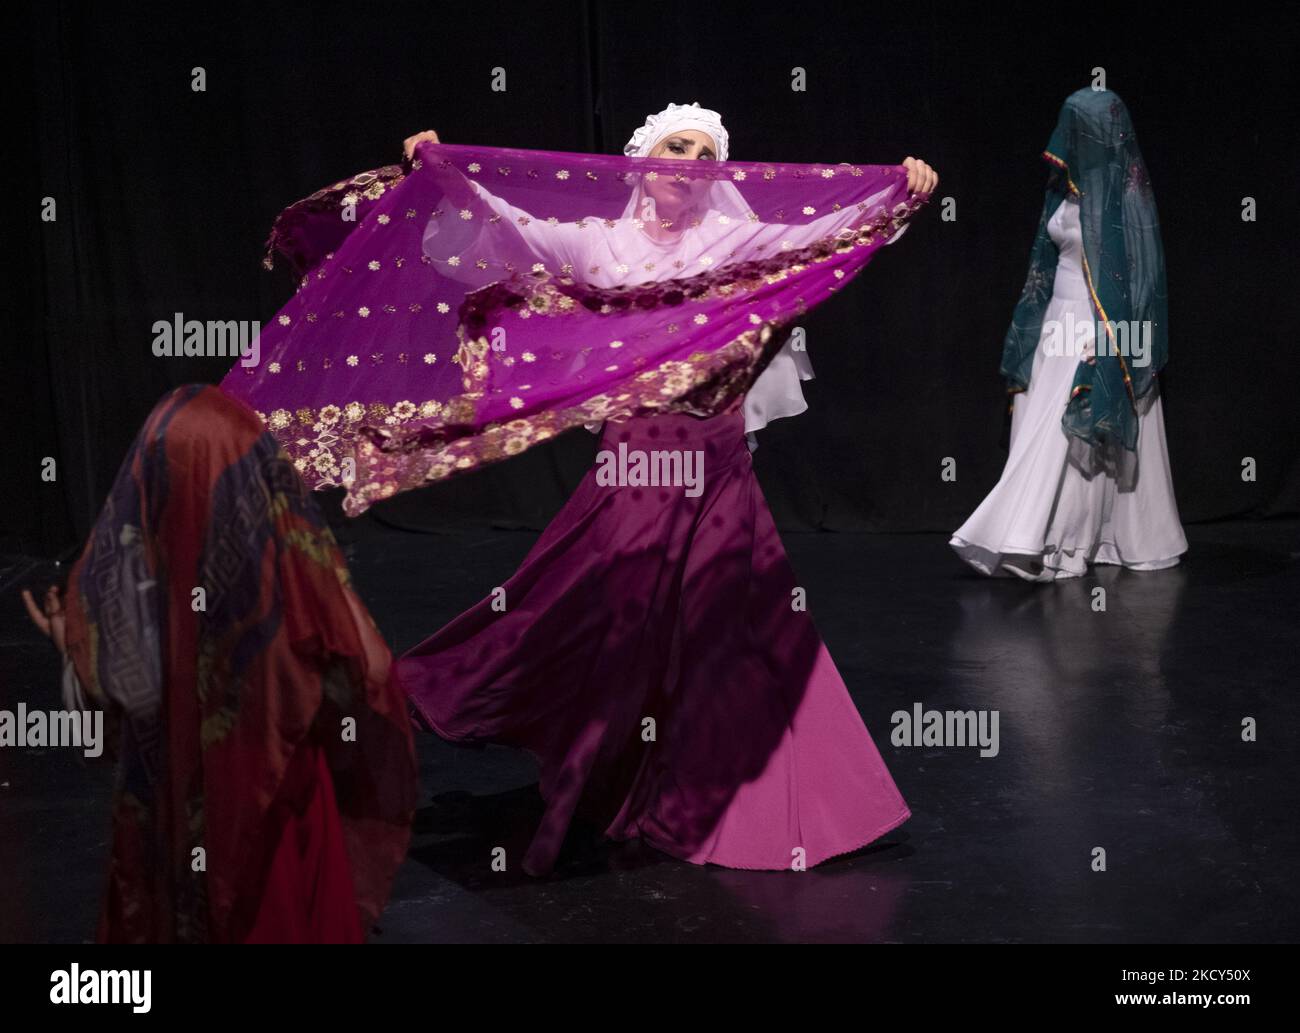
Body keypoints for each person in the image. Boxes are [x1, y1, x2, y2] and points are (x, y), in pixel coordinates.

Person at [394, 103, 937, 875]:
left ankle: (742, 796)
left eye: (703, 150)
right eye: (674, 146)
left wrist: (898, 196)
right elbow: (509, 228)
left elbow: (816, 238)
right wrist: (446, 172)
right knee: (610, 611)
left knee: (733, 619)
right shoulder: (599, 245)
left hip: (716, 457)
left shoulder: (731, 241)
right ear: (644, 160)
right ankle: (541, 734)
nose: (688, 159)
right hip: (638, 462)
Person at [23, 384, 417, 942]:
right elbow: (372, 670)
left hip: (176, 821)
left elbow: (119, 696)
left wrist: (73, 642)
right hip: (272, 812)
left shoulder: (140, 572)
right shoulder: (290, 567)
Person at [950, 89, 1187, 580]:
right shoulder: (1063, 189)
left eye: (1078, 129)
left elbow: (1140, 275)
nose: (1067, 139)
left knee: (1069, 430)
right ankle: (1043, 539)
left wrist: (1109, 339)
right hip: (1055, 321)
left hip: (1098, 325)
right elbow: (1044, 261)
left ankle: (1061, 542)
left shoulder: (1125, 194)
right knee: (1040, 426)